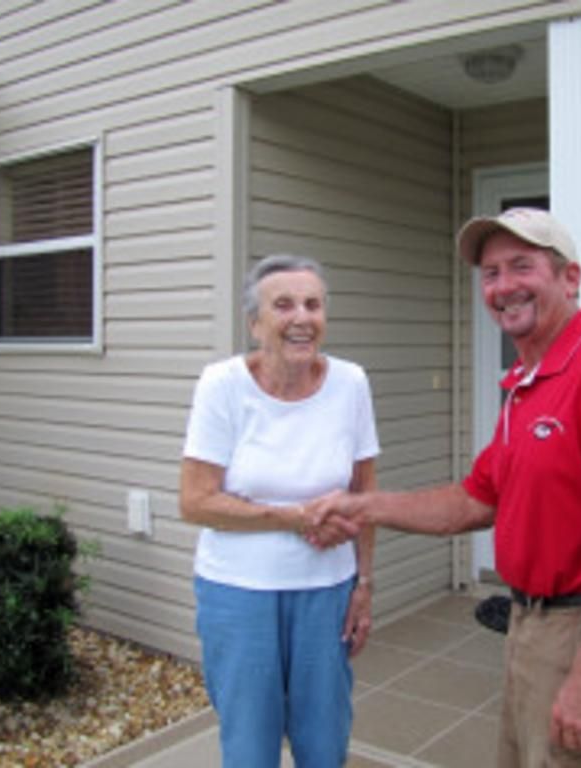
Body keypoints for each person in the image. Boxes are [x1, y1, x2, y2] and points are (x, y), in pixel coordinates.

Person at [309, 208, 581, 768]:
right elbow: (474, 499)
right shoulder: (526, 385)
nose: (504, 286)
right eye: (490, 273)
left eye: (522, 266)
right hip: (533, 624)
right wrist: (363, 505)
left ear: (570, 277)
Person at [179, 253, 379, 768]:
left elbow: (366, 493)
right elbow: (195, 500)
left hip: (328, 591)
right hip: (236, 594)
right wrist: (294, 517)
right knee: (249, 746)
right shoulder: (222, 385)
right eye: (283, 304)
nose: (302, 317)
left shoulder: (351, 383)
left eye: (313, 304)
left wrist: (364, 584)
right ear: (255, 323)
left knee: (325, 741)